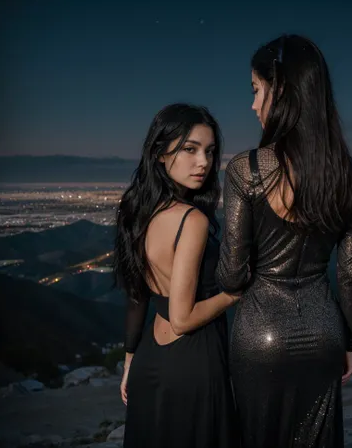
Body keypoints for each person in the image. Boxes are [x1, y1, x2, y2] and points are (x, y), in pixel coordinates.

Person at [216, 34, 352, 448]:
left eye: (256, 90)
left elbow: (231, 276)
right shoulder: (350, 175)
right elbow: (351, 275)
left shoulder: (246, 170)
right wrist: (348, 340)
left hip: (259, 336)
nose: (252, 104)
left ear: (279, 91)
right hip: (325, 334)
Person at [114, 103, 239, 448]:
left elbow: (137, 294)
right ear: (159, 153)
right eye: (190, 149)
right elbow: (182, 318)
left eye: (210, 152)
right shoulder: (192, 220)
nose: (204, 162)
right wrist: (233, 294)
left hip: (150, 360)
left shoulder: (137, 210)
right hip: (194, 361)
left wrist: (130, 360)